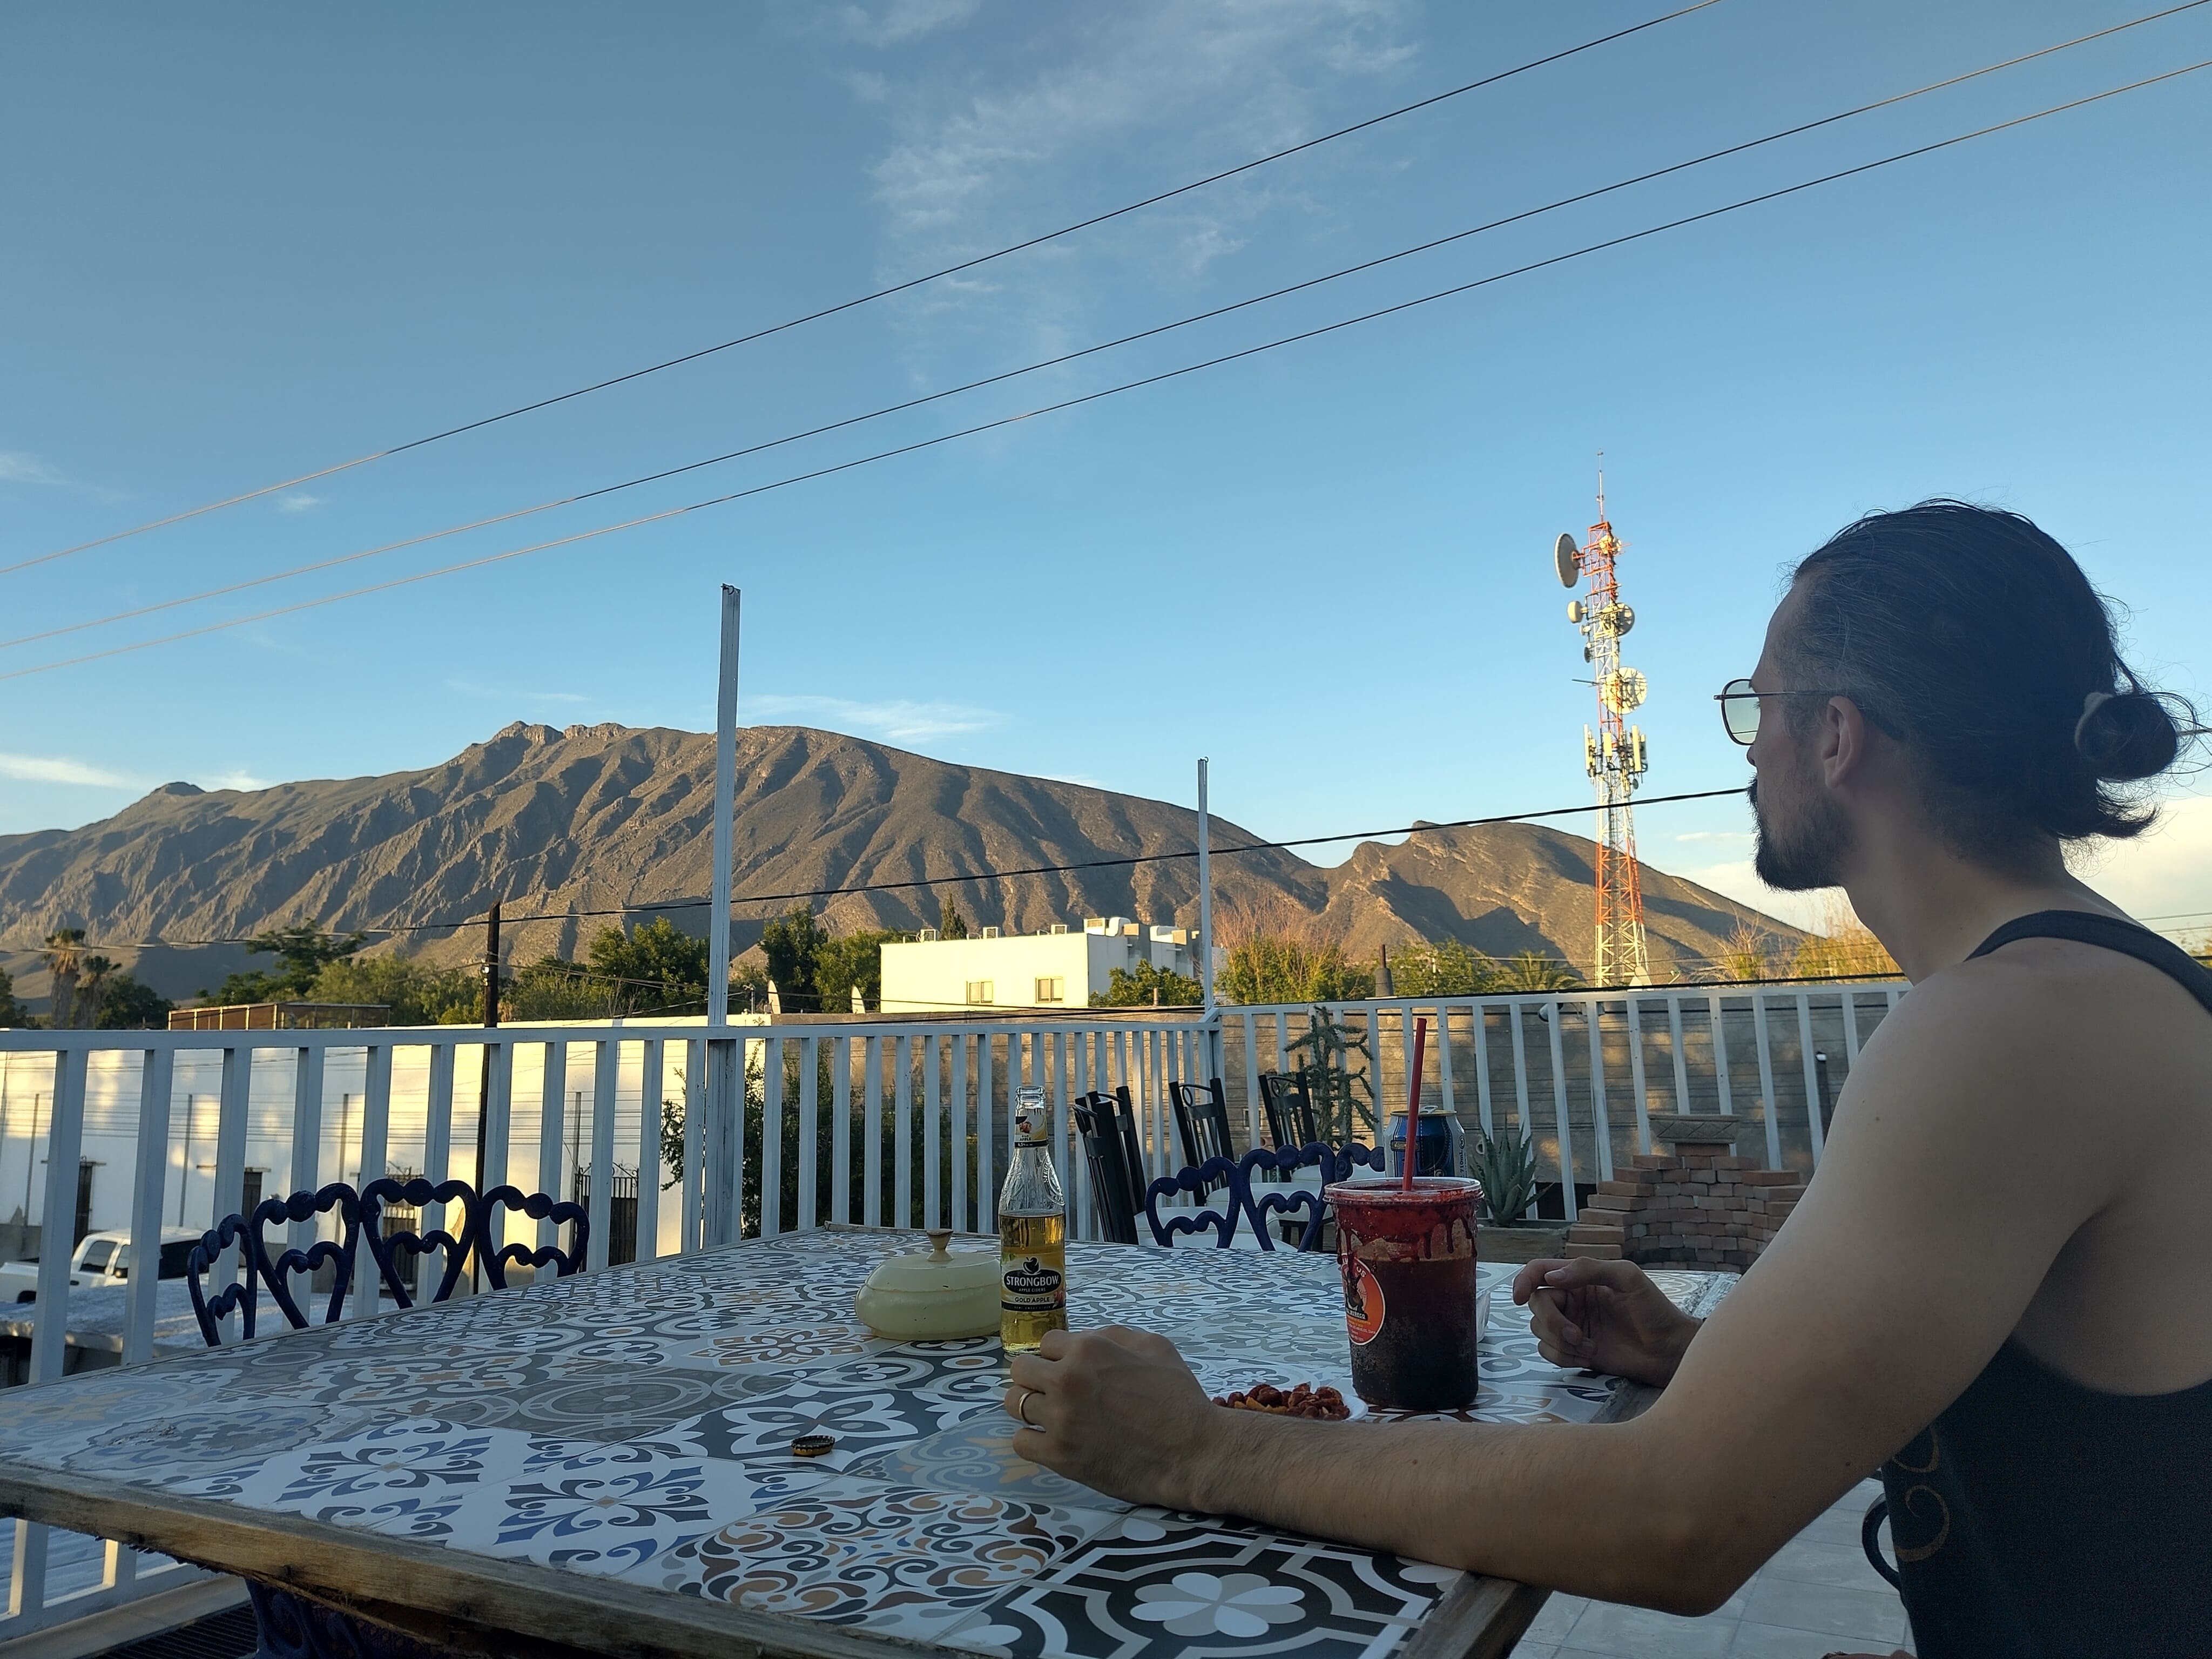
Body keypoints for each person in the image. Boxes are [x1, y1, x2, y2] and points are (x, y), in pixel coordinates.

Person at [1003, 502, 2211, 1659]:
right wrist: (1701, 1362)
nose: (1748, 749)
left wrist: (1191, 1453)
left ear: (1837, 735)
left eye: (1757, 707)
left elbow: (1670, 1523)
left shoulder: (2010, 1027)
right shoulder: (2079, 989)